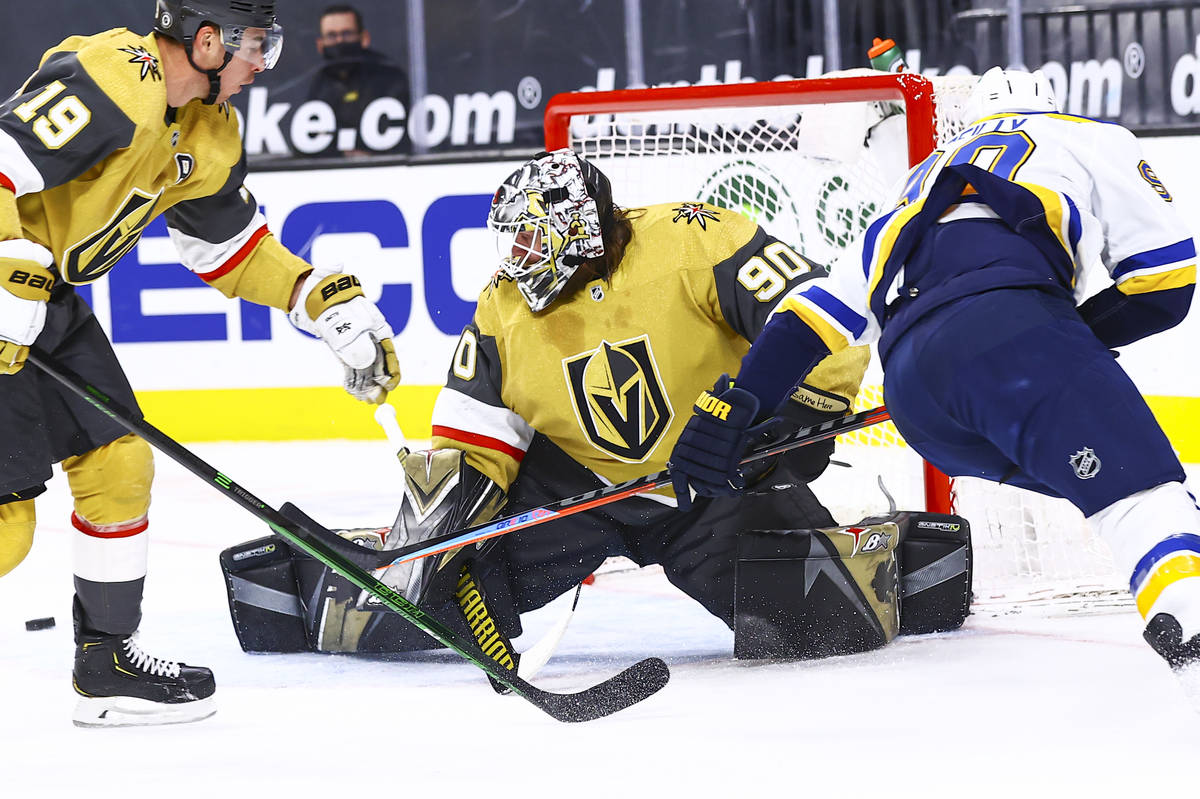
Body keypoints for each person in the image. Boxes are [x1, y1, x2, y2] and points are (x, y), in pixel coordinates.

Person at [221, 148, 972, 667]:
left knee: (817, 622)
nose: (513, 255)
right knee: (416, 611)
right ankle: (327, 567)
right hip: (574, 488)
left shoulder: (695, 238)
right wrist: (439, 548)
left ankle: (902, 546)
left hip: (709, 479)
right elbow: (469, 440)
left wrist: (800, 413)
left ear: (571, 225)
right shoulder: (504, 307)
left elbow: (816, 314)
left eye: (526, 236)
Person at [669, 67, 1200, 701]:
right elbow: (1166, 288)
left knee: (1107, 489)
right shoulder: (1087, 137)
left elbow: (811, 316)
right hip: (1012, 334)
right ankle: (1191, 619)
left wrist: (736, 405)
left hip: (919, 402)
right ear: (1051, 105)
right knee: (1141, 496)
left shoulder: (917, 180)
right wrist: (1058, 338)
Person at [0, 0, 401, 727]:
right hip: (8, 283)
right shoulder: (117, 76)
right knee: (7, 532)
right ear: (206, 40)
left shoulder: (210, 130)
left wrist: (312, 297)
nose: (262, 64)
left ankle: (107, 662)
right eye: (254, 44)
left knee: (121, 462)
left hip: (40, 301)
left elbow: (228, 248)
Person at [307, 4, 410, 157]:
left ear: (364, 38)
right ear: (320, 45)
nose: (340, 41)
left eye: (347, 34)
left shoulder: (389, 78)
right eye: (331, 36)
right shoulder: (316, 82)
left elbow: (400, 140)